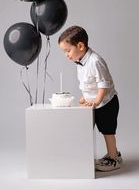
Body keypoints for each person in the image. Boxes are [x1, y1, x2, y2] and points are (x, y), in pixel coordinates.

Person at [58, 25, 122, 171]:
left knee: (107, 131)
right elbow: (88, 83)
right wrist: (85, 97)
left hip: (106, 103)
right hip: (95, 102)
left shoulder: (95, 61)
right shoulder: (80, 62)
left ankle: (113, 159)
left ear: (80, 46)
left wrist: (97, 100)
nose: (66, 55)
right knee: (97, 128)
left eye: (68, 51)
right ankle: (114, 153)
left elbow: (103, 84)